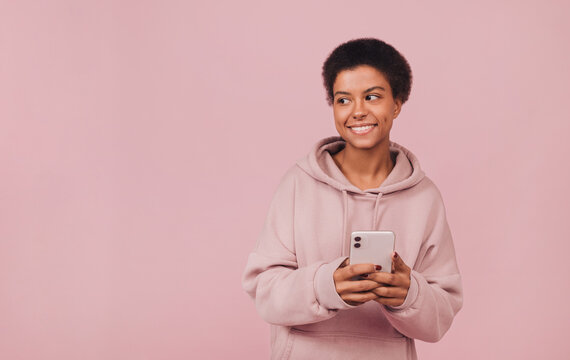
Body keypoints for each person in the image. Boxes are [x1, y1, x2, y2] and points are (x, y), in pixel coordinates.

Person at [242, 38, 463, 360]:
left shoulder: (424, 197)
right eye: (343, 100)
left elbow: (440, 320)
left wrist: (409, 294)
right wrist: (324, 286)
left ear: (397, 103)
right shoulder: (298, 184)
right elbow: (264, 292)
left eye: (372, 97)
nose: (358, 111)